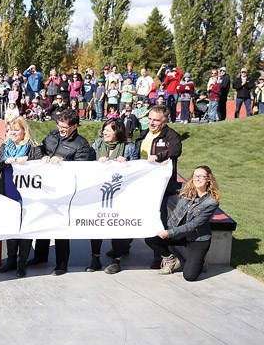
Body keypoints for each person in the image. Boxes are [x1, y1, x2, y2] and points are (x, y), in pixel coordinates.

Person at [29, 110, 91, 275]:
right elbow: (42, 148)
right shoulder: (52, 134)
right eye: (59, 125)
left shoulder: (81, 144)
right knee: (42, 222)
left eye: (64, 126)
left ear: (74, 126)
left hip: (65, 191)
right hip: (45, 187)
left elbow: (82, 169)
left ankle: (61, 264)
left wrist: (64, 163)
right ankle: (40, 256)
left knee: (60, 228)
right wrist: (42, 156)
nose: (61, 128)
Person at [145, 166, 221, 281]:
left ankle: (201, 260)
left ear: (208, 179)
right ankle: (171, 260)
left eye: (201, 176)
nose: (197, 179)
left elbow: (193, 225)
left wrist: (169, 232)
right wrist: (159, 167)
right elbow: (166, 186)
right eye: (195, 176)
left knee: (189, 277)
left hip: (197, 239)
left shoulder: (211, 202)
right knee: (151, 238)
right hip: (179, 235)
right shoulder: (186, 191)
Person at [0, 117, 42, 278]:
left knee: (25, 229)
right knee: (11, 227)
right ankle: (11, 260)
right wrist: (5, 161)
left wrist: (29, 161)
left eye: (16, 129)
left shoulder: (33, 148)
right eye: (10, 129)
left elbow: (41, 165)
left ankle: (22, 263)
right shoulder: (6, 145)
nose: (12, 132)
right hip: (8, 191)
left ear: (24, 131)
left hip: (26, 195)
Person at [86, 119, 140, 274]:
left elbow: (137, 170)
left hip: (119, 195)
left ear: (118, 132)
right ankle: (95, 258)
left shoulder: (128, 147)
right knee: (96, 226)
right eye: (104, 130)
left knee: (117, 225)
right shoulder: (97, 144)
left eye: (108, 130)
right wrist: (96, 162)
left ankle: (116, 260)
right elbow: (86, 164)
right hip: (98, 193)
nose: (105, 133)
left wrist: (127, 162)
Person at [135, 105, 182, 268]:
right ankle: (122, 247)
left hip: (160, 187)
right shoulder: (144, 134)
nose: (151, 123)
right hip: (141, 183)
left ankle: (161, 256)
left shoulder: (172, 135)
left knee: (158, 219)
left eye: (156, 120)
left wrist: (159, 156)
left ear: (165, 120)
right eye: (149, 119)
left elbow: (175, 150)